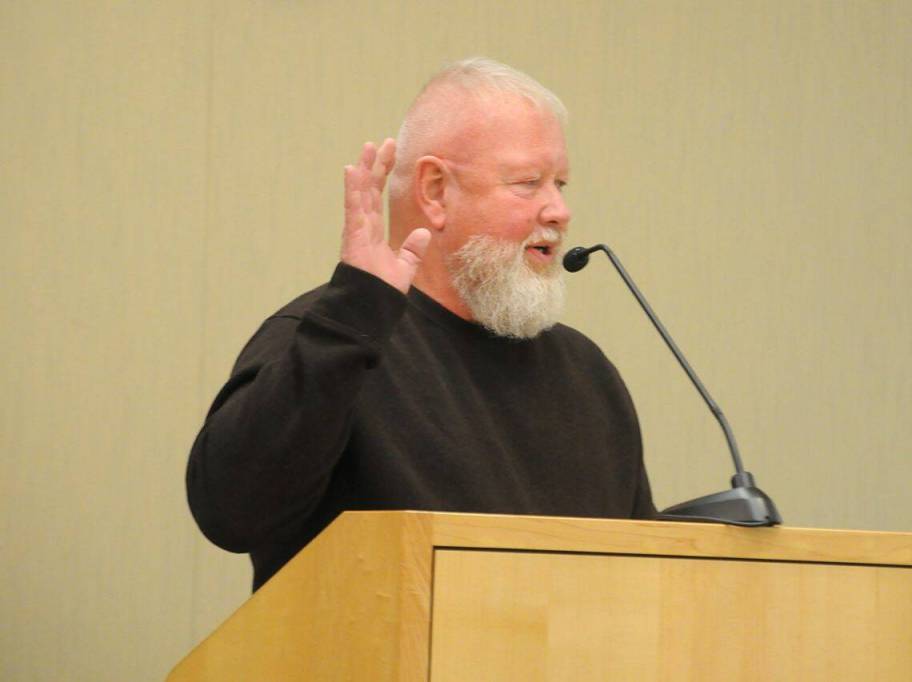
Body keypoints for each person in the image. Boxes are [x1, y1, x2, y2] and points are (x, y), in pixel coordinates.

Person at [187, 58, 656, 591]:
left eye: (561, 183)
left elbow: (633, 574)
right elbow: (230, 513)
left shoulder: (586, 373)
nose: (560, 211)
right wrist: (351, 316)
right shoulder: (330, 339)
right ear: (435, 191)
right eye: (529, 183)